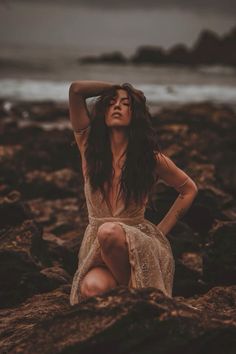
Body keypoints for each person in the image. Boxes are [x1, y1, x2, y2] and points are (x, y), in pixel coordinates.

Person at [68, 80, 198, 305]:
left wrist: (161, 232)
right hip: (99, 246)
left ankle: (138, 298)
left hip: (136, 243)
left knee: (109, 231)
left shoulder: (149, 158)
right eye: (111, 102)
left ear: (134, 113)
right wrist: (117, 87)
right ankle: (135, 295)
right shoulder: (89, 148)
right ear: (104, 111)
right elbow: (76, 90)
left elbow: (188, 189)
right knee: (91, 288)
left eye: (125, 103)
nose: (117, 106)